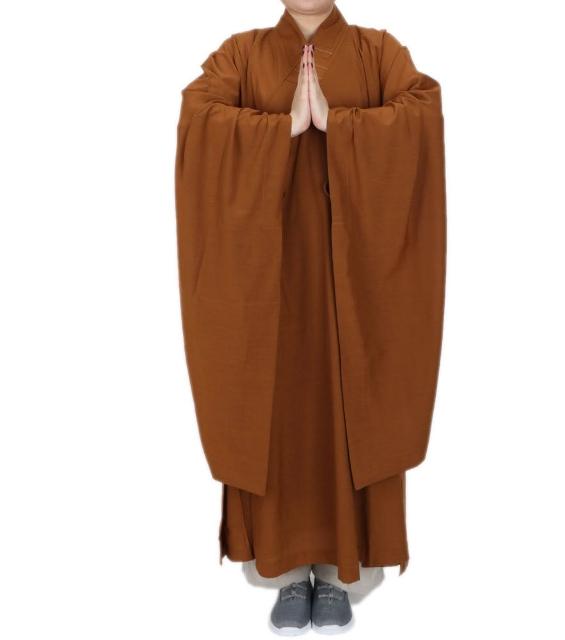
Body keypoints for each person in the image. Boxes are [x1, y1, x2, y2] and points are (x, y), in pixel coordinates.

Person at [174, 0, 446, 634]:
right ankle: (287, 572)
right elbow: (198, 113)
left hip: (359, 283)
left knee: (356, 404)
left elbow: (422, 110)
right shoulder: (240, 54)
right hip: (264, 283)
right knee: (273, 412)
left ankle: (342, 575)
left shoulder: (379, 52)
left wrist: (338, 124)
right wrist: (284, 129)